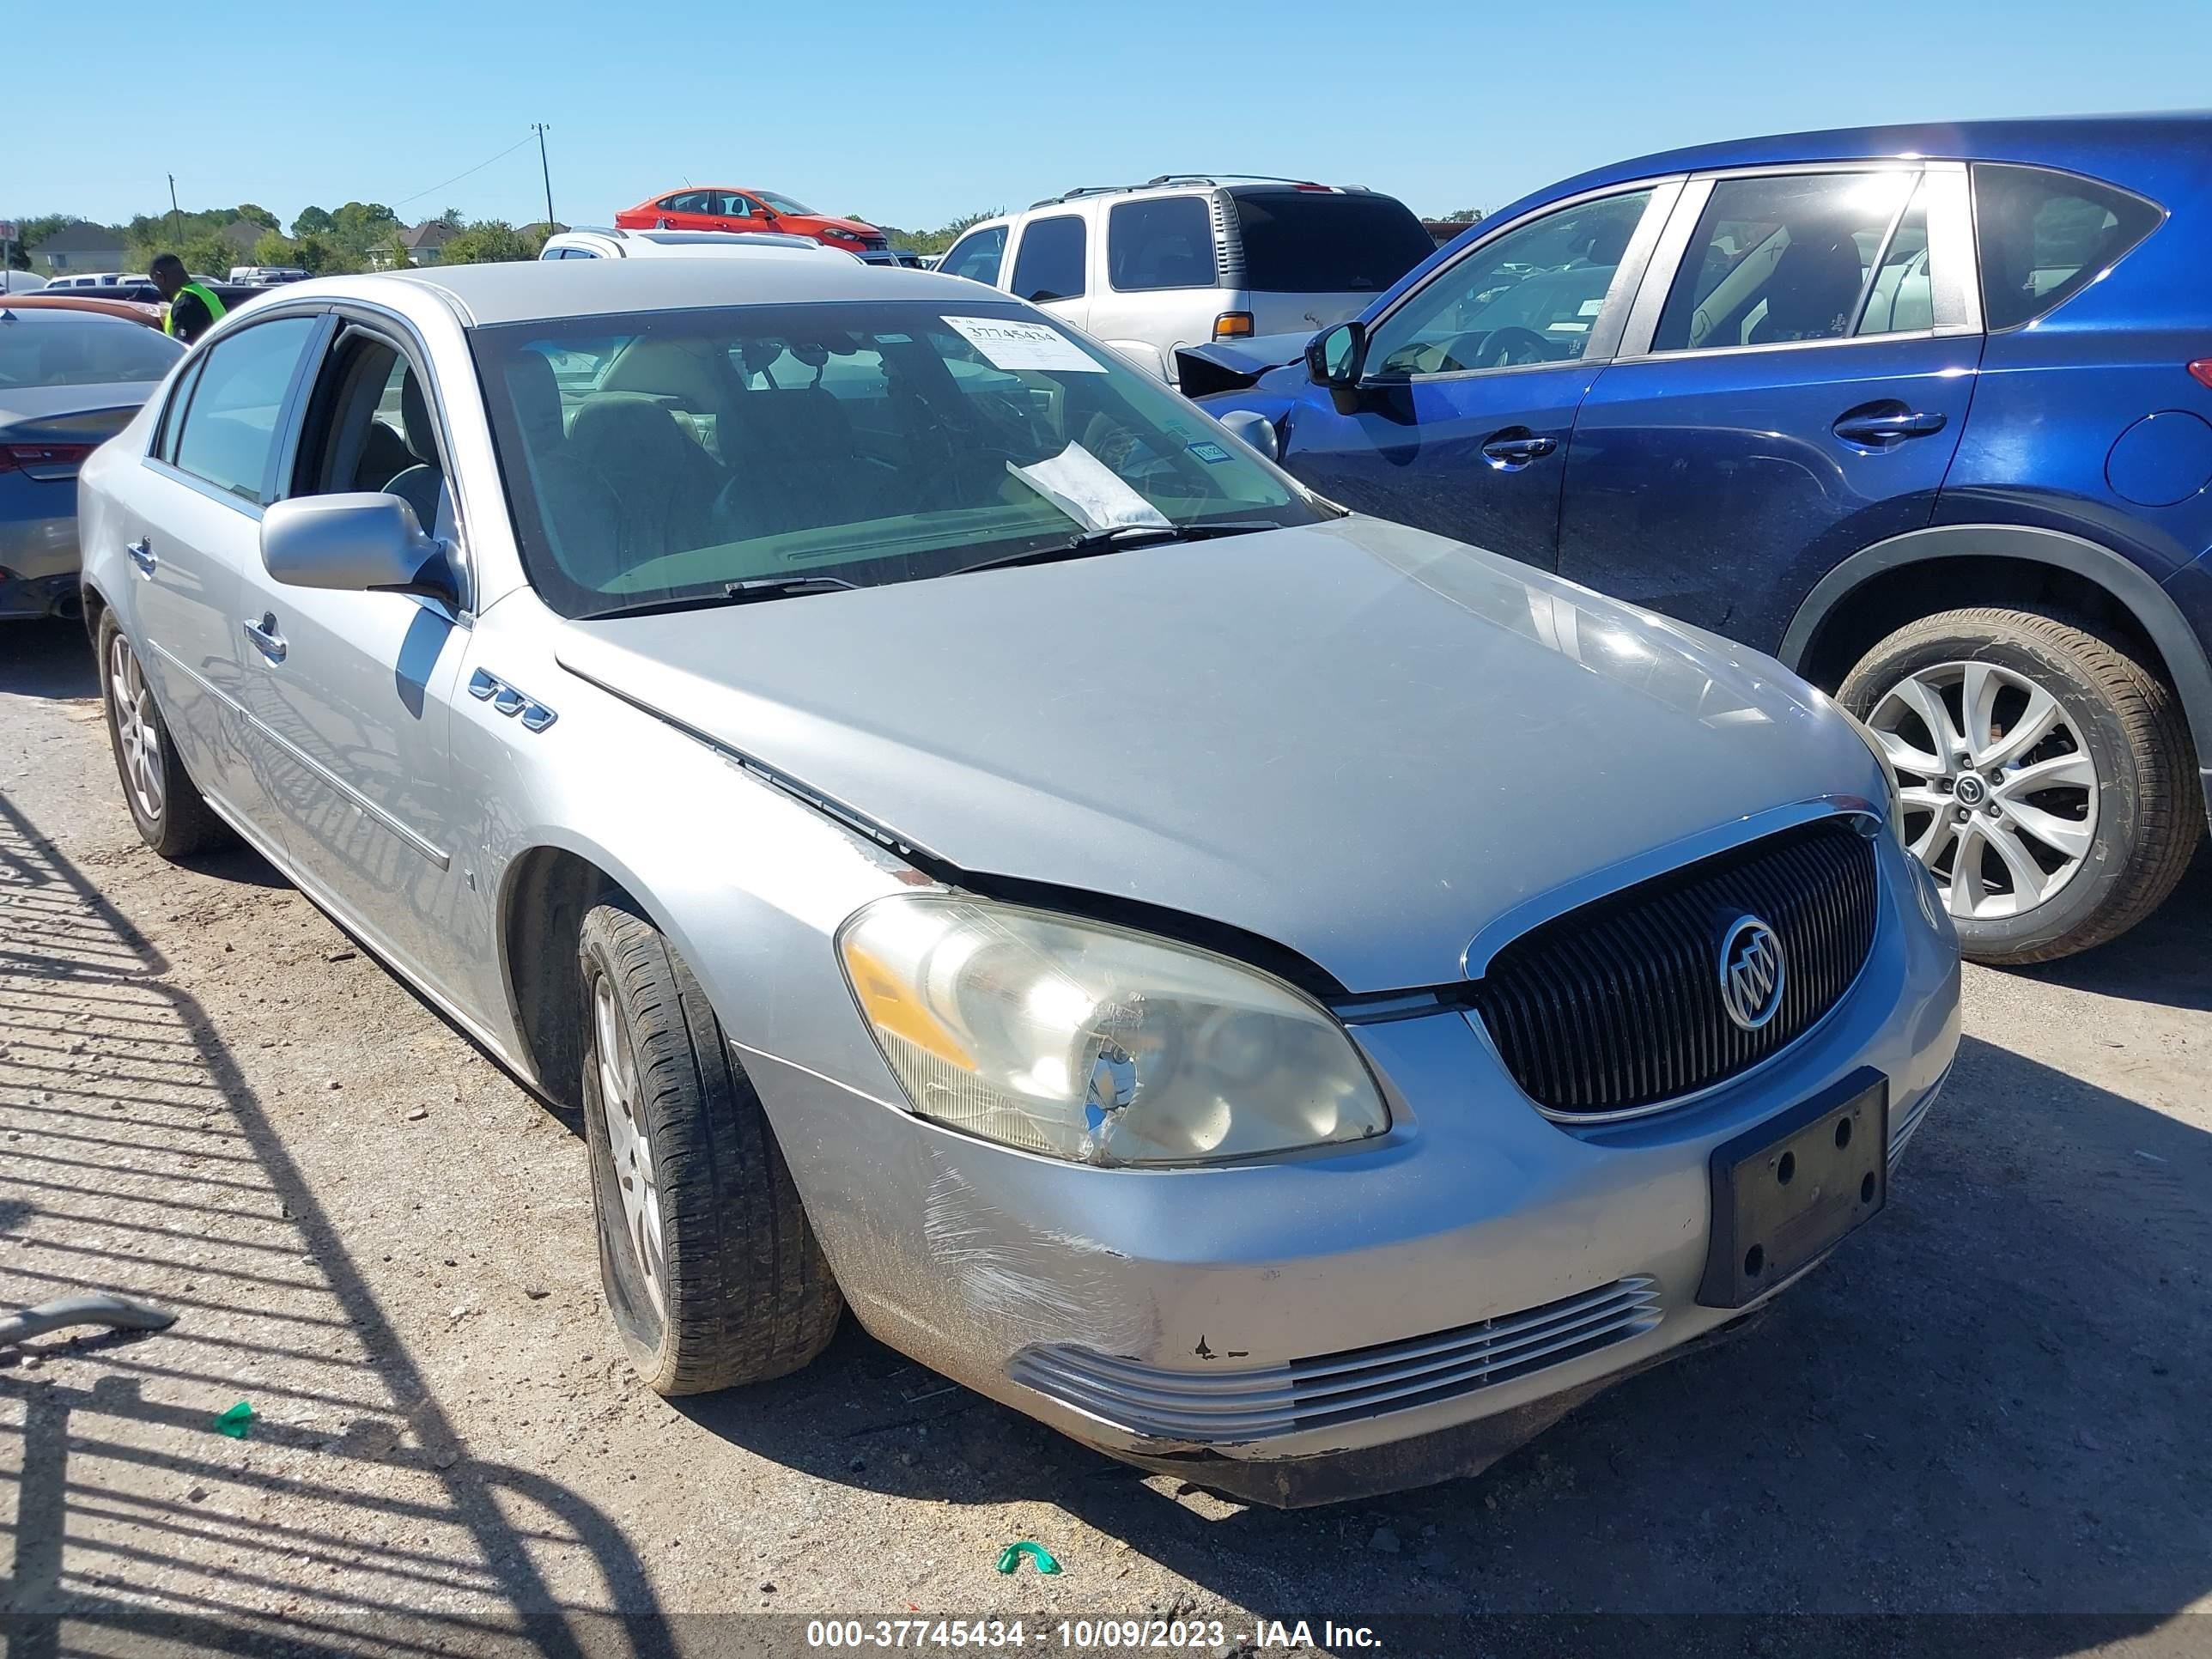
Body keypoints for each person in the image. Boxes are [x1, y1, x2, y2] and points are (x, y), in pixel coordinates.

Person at [150, 254, 225, 344]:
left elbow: (183, 349)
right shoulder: (203, 293)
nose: (157, 288)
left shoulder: (185, 305)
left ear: (160, 277)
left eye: (155, 283)